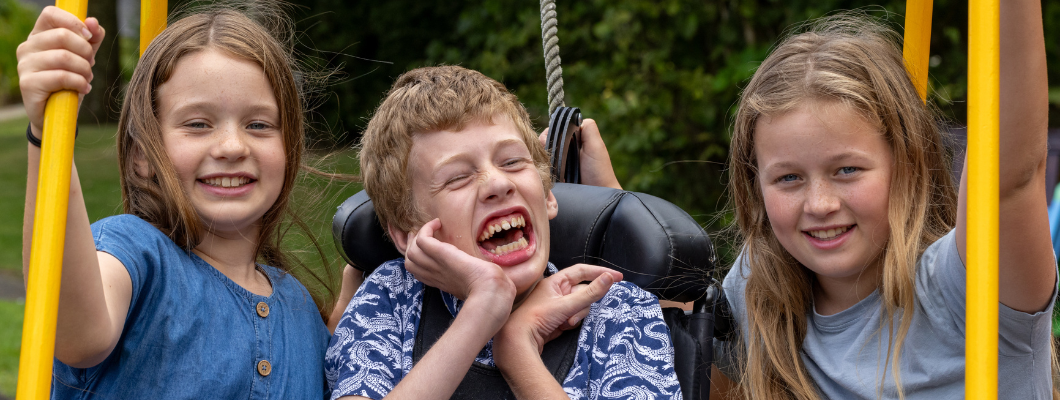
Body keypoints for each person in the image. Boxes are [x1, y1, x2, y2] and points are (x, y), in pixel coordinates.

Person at [712, 4, 1056, 399]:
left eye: (847, 170)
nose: (820, 204)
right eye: (789, 178)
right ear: (756, 186)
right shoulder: (759, 291)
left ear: (906, 165)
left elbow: (1011, 178)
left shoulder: (966, 288)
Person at [19, 5, 332, 398]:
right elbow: (77, 333)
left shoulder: (300, 309)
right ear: (143, 156)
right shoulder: (136, 255)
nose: (233, 146)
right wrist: (48, 134)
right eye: (197, 124)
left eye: (259, 125)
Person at [325, 65, 683, 400]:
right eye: (458, 177)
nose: (497, 183)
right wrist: (482, 309)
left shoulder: (617, 311)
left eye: (512, 161)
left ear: (546, 196)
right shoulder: (391, 298)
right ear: (408, 234)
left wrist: (517, 352)